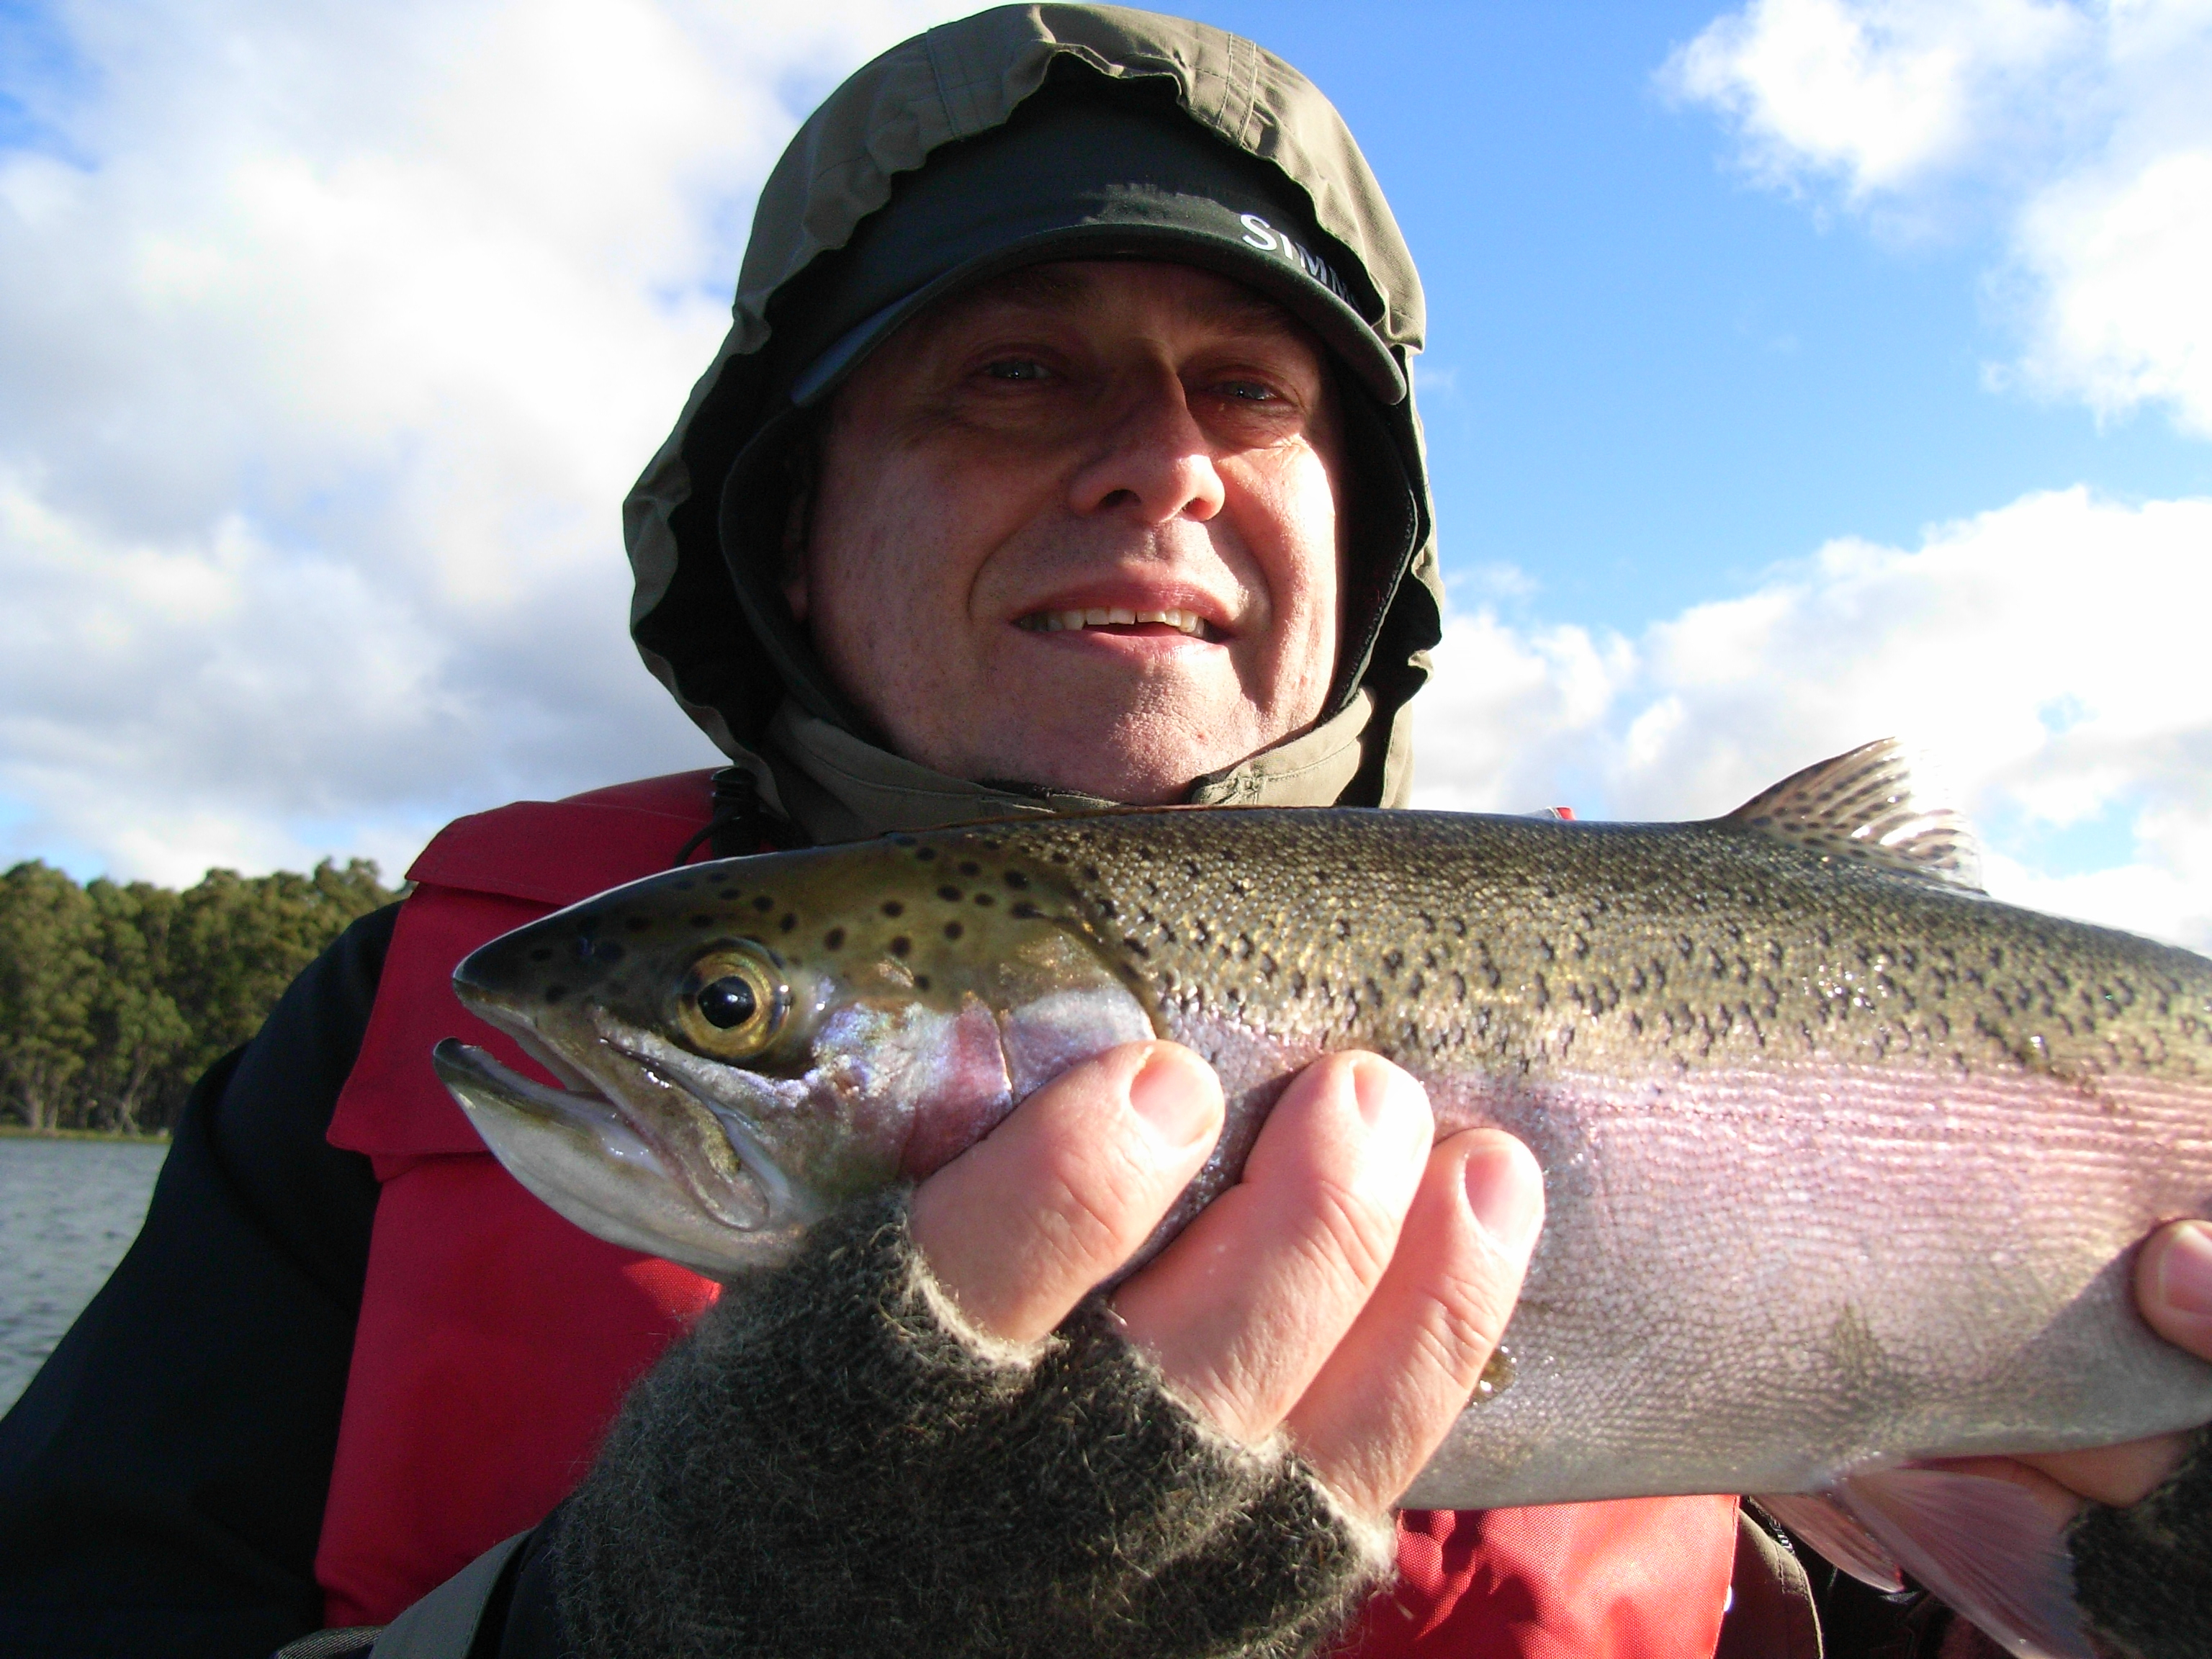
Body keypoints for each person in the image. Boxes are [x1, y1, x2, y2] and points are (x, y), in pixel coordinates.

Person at [1, 8, 2206, 1659]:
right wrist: (621, 1624)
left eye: (1249, 391)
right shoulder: (386, 1044)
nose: (1157, 466)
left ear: (1367, 543)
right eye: (1016, 376)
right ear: (788, 517)